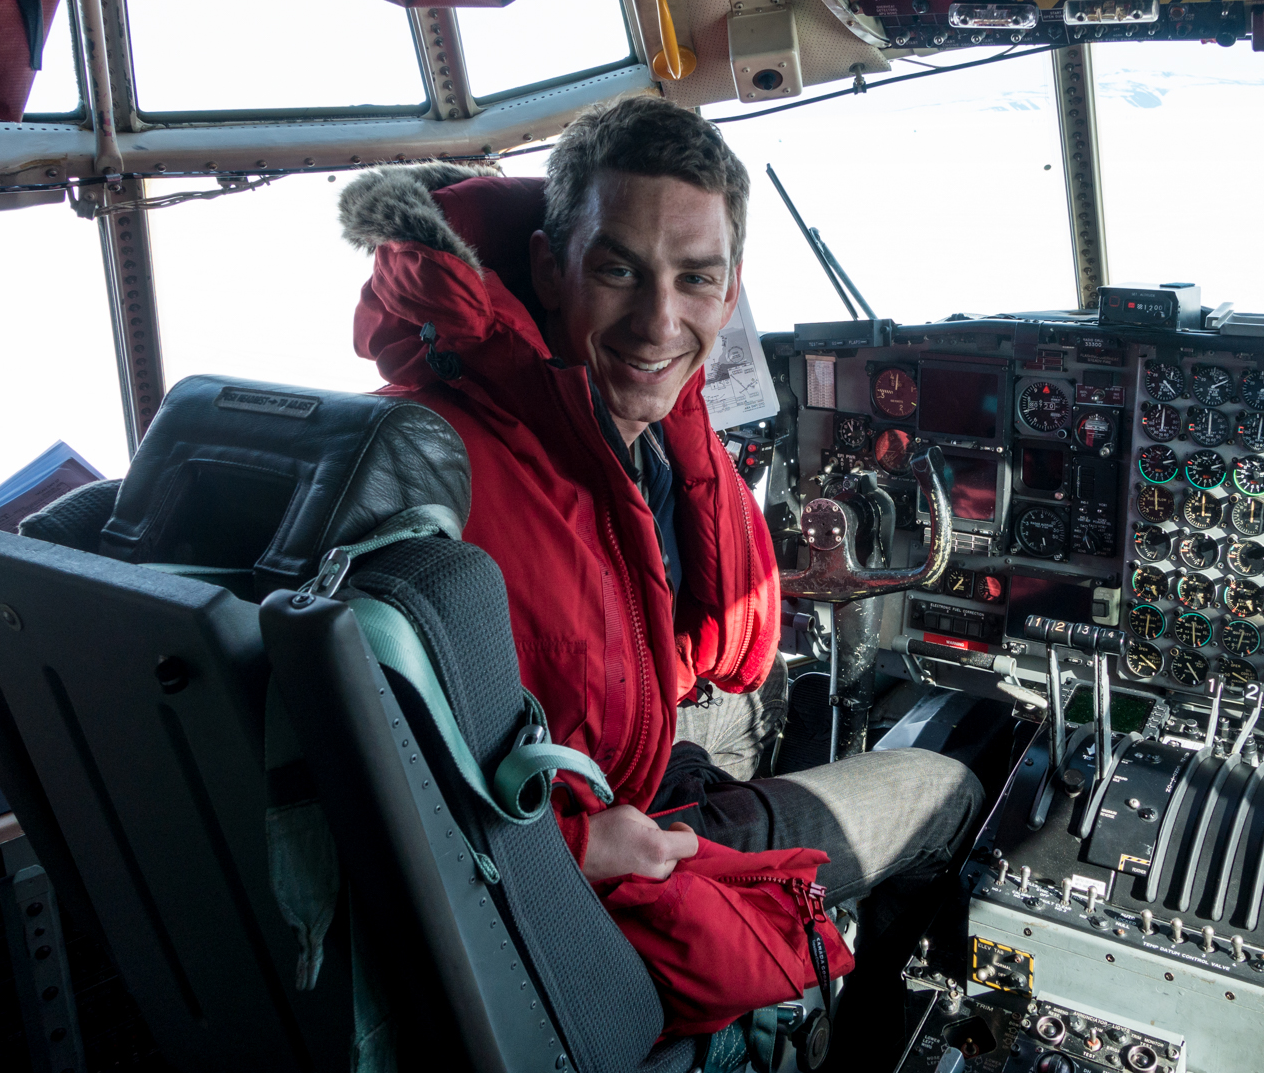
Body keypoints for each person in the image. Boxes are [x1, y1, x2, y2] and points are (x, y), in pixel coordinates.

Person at [338, 95, 981, 1049]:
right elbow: (358, 759)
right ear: (550, 269)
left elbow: (709, 644)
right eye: (618, 270)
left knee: (749, 709)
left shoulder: (619, 427)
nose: (658, 322)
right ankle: (844, 1034)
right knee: (943, 783)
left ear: (730, 294)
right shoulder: (433, 462)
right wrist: (578, 846)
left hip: (609, 778)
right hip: (575, 876)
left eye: (695, 280)